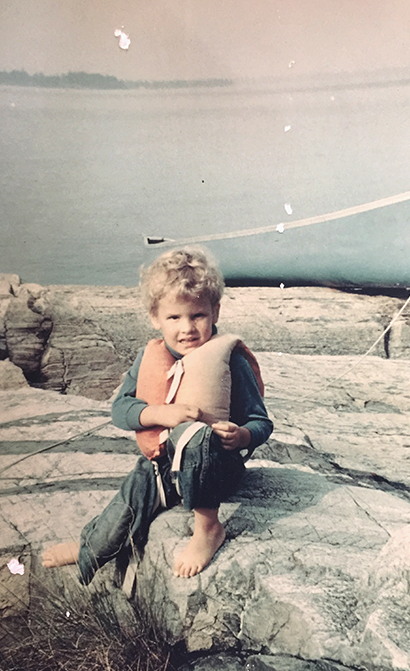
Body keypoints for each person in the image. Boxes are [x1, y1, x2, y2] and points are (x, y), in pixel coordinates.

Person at [42, 247, 273, 583]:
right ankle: (88, 547)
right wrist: (161, 414)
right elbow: (121, 410)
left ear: (216, 311)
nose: (188, 329)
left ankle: (208, 528)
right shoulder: (149, 357)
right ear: (155, 318)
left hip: (215, 468)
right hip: (163, 468)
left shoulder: (229, 360)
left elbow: (261, 422)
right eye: (174, 318)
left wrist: (242, 435)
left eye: (198, 316)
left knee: (195, 436)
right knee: (124, 511)